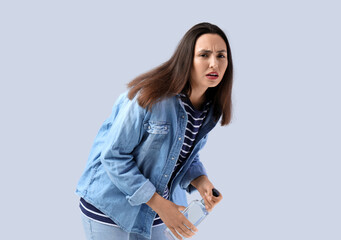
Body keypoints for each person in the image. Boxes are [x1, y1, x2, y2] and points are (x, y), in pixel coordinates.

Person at [75, 22, 234, 240]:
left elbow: (182, 153)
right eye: (204, 55)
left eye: (221, 56)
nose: (214, 64)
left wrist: (200, 180)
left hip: (157, 212)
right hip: (111, 208)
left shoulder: (209, 109)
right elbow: (113, 156)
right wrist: (160, 205)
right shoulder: (149, 97)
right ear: (188, 59)